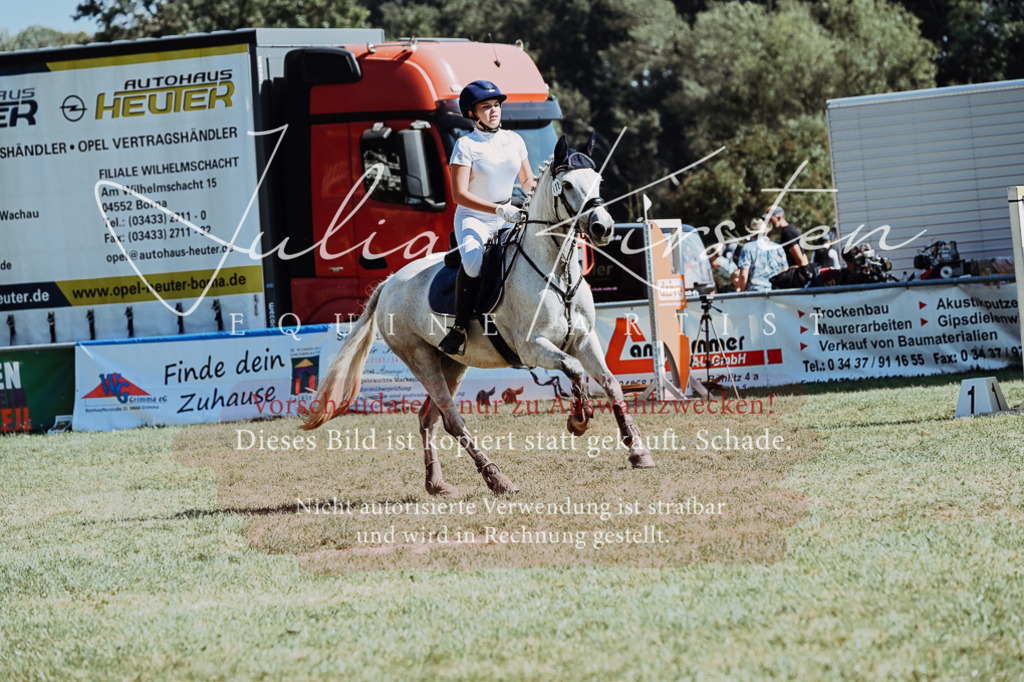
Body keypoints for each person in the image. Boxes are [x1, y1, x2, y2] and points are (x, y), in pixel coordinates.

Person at [438, 80, 536, 355]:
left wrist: (536, 198)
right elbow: (459, 195)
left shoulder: (514, 140)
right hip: (474, 218)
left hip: (508, 214)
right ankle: (459, 328)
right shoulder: (465, 145)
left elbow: (527, 180)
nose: (494, 111)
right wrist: (497, 210)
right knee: (473, 264)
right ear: (472, 113)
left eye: (496, 105)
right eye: (486, 107)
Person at [735, 218, 787, 292]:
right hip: (775, 292)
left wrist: (742, 291)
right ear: (766, 232)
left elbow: (743, 274)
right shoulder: (778, 247)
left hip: (755, 292)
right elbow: (784, 270)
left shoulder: (748, 248)